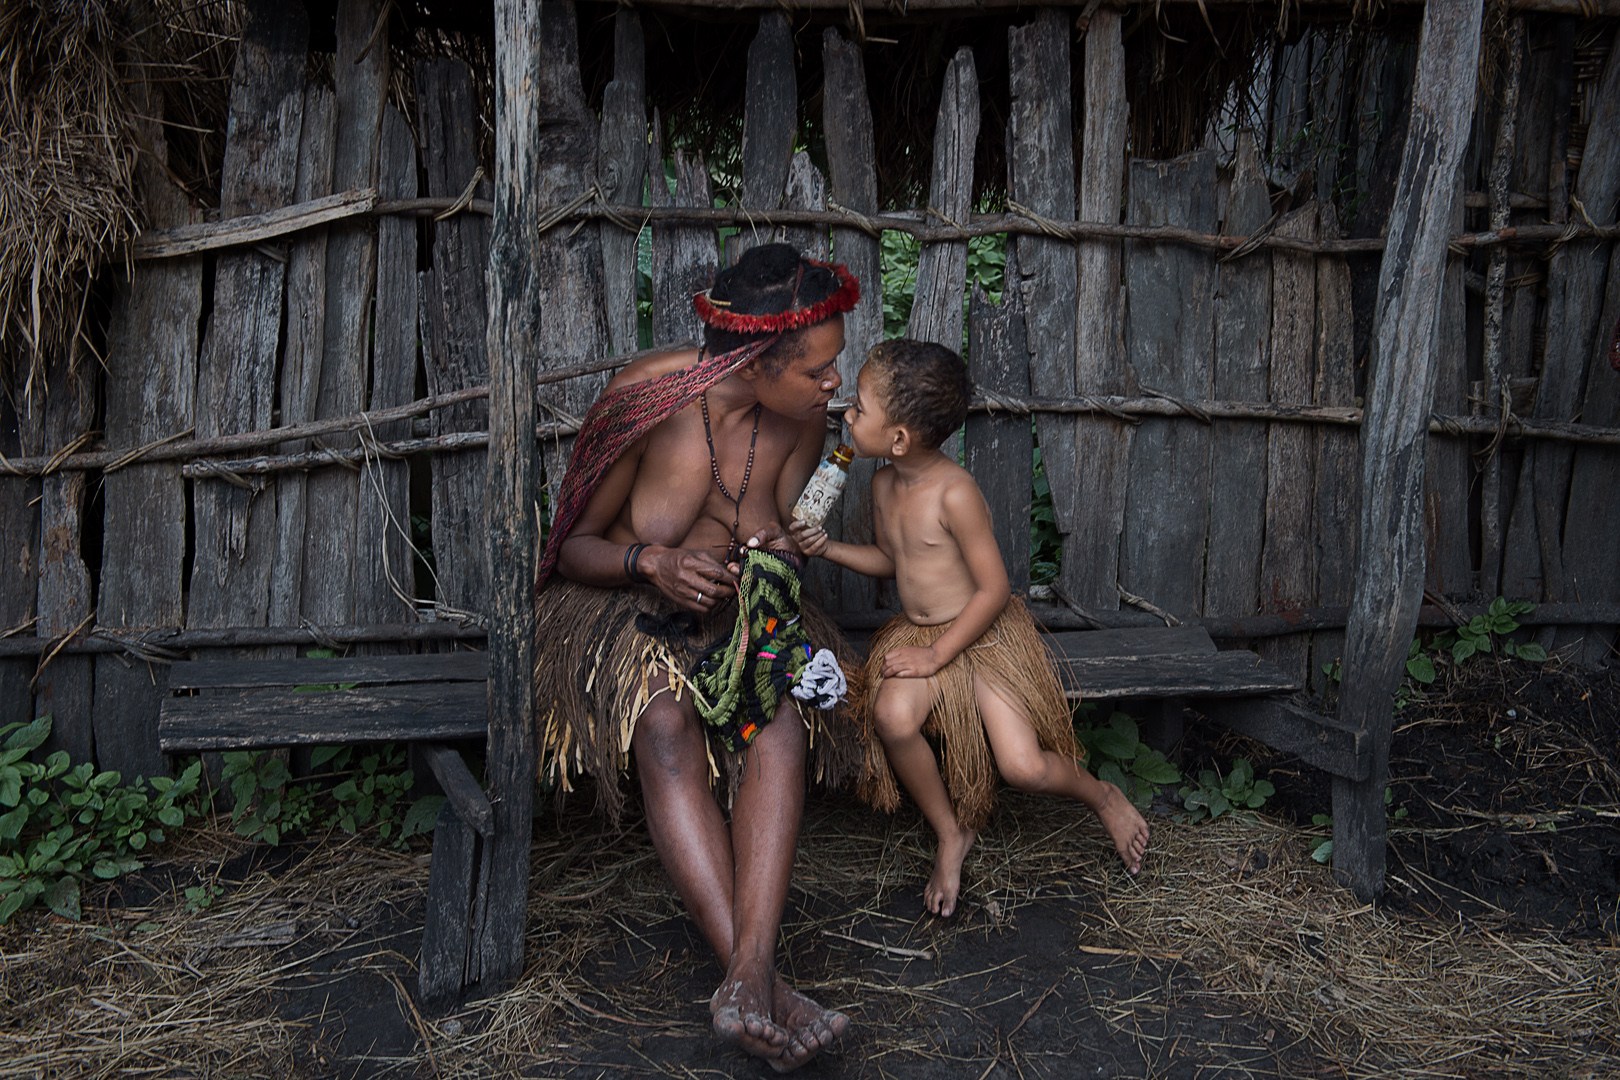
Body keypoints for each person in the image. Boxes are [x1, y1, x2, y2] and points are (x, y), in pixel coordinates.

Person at [533, 244, 861, 1071]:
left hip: (736, 613)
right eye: (817, 368)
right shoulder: (648, 401)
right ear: (756, 361)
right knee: (664, 721)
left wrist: (773, 553)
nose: (834, 382)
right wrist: (652, 561)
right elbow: (571, 548)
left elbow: (782, 529)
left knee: (775, 722)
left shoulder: (803, 418)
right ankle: (766, 988)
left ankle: (747, 975)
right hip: (625, 603)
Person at [790, 338, 1151, 918]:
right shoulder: (883, 485)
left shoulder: (955, 493)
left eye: (858, 407)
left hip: (982, 635)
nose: (847, 416)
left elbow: (994, 590)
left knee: (1022, 767)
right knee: (892, 717)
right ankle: (950, 830)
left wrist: (937, 655)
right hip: (920, 632)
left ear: (899, 438)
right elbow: (892, 560)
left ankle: (1101, 795)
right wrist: (827, 547)